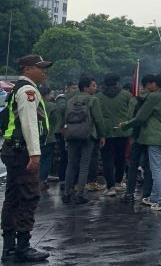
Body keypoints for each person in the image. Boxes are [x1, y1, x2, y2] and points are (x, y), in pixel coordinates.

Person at [0, 55, 52, 263]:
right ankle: (23, 246)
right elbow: (30, 124)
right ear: (28, 69)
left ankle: (10, 247)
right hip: (22, 153)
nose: (44, 72)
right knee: (29, 197)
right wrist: (35, 154)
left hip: (13, 150)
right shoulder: (28, 90)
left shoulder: (17, 89)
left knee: (12, 198)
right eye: (41, 68)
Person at [119, 73, 161, 212]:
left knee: (156, 169)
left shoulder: (153, 97)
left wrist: (125, 125)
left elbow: (140, 117)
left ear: (156, 84)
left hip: (155, 137)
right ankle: (153, 197)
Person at [62, 75, 107, 205]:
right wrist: (102, 135)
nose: (95, 88)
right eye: (93, 85)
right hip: (88, 136)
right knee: (84, 166)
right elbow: (98, 120)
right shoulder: (93, 100)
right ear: (85, 87)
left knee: (71, 165)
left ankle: (66, 193)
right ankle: (80, 194)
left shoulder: (70, 100)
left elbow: (66, 119)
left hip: (71, 136)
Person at [97, 73, 133, 197]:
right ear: (117, 82)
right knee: (121, 158)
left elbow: (97, 116)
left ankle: (110, 187)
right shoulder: (127, 95)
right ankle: (118, 183)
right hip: (122, 130)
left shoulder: (98, 97)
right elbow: (131, 113)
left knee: (107, 160)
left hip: (105, 132)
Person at [121, 75, 155, 203]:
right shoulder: (155, 99)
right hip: (149, 136)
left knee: (133, 165)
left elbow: (129, 117)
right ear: (149, 85)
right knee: (148, 166)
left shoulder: (134, 100)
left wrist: (130, 135)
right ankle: (146, 194)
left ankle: (129, 193)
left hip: (136, 136)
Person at [38, 87, 57, 190]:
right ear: (46, 95)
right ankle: (42, 181)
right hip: (49, 137)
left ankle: (34, 180)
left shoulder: (34, 104)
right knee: (46, 159)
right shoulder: (52, 106)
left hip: (35, 136)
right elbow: (55, 121)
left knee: (36, 159)